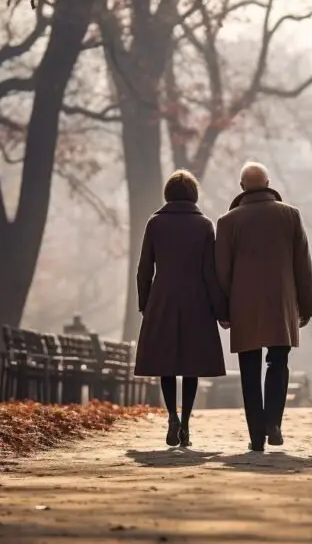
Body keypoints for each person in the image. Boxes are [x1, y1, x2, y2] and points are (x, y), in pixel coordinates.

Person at [215, 162, 312, 452]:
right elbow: (303, 266)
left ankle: (256, 434)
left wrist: (222, 309)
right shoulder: (290, 216)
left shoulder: (228, 222)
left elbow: (222, 271)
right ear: (269, 183)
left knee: (249, 369)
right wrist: (306, 305)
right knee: (278, 362)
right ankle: (274, 422)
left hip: (243, 304)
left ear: (242, 187)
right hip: (281, 303)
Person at [134, 169, 227, 448]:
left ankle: (171, 417)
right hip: (196, 299)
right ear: (193, 194)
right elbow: (210, 271)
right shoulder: (204, 225)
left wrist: (145, 303)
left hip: (162, 297)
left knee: (166, 362)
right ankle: (186, 422)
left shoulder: (155, 223)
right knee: (191, 364)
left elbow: (143, 268)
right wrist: (220, 309)